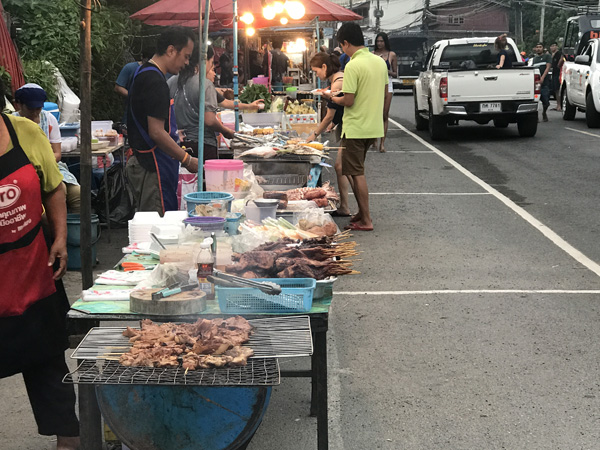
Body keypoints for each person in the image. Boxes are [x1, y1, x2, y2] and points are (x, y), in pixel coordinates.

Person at [0, 78, 80, 450]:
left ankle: (69, 440)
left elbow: (53, 187)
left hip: (34, 266)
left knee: (48, 360)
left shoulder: (26, 132)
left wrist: (61, 237)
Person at [126, 26, 199, 215]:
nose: (187, 62)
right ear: (171, 50)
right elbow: (156, 132)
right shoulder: (155, 81)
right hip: (152, 168)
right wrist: (186, 159)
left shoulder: (143, 72)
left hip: (147, 163)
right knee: (158, 227)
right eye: (186, 56)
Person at [323, 22, 387, 232]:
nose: (342, 51)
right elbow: (385, 94)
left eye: (342, 46)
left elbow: (348, 100)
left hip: (356, 126)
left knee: (356, 173)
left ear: (346, 42)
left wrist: (332, 96)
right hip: (373, 126)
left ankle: (366, 219)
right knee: (354, 169)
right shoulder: (379, 62)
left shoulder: (352, 65)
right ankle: (361, 212)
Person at [168, 45, 262, 160]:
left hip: (176, 146)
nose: (211, 66)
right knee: (204, 178)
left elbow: (225, 102)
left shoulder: (171, 81)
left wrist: (250, 106)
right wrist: (226, 131)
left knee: (183, 178)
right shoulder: (204, 84)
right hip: (202, 146)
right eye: (211, 62)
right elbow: (209, 120)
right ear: (204, 61)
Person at [13, 83, 80, 213]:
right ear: (19, 105)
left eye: (38, 108)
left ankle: (75, 229)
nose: (35, 112)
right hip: (22, 169)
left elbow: (57, 154)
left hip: (50, 165)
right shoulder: (11, 122)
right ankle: (53, 228)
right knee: (59, 189)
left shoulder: (48, 119)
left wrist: (43, 163)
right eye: (30, 108)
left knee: (77, 193)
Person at [307, 52, 352, 217]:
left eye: (316, 71)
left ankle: (348, 207)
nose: (317, 75)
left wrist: (313, 135)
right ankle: (346, 206)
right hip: (346, 125)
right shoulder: (338, 78)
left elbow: (329, 115)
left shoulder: (336, 84)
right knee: (344, 168)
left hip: (351, 127)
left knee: (345, 168)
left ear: (324, 67)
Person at [373, 32, 397, 153]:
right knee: (374, 113)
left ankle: (382, 143)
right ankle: (374, 139)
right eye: (378, 41)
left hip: (388, 83)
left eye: (382, 41)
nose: (380, 43)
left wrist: (385, 69)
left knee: (384, 114)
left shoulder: (391, 54)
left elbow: (395, 73)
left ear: (385, 42)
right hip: (374, 85)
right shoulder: (372, 54)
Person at [114, 48, 153, 123]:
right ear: (142, 57)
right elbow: (118, 87)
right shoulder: (130, 68)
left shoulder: (157, 71)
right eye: (147, 60)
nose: (149, 63)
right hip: (131, 113)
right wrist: (134, 96)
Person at [532, 42, 552, 122]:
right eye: (537, 47)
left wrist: (542, 78)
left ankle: (544, 112)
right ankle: (536, 115)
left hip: (545, 83)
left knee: (546, 101)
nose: (538, 48)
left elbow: (548, 67)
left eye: (540, 47)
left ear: (543, 48)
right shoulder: (534, 59)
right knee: (536, 100)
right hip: (537, 84)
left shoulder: (547, 56)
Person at [550, 42, 564, 111]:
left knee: (558, 89)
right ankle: (557, 104)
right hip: (554, 73)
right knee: (555, 89)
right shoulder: (552, 55)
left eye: (553, 46)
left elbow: (561, 60)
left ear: (556, 46)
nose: (552, 47)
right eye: (551, 46)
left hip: (559, 73)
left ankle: (560, 105)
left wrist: (558, 65)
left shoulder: (559, 54)